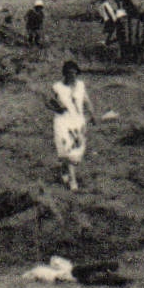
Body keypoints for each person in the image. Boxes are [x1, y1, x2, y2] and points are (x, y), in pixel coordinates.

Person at [49, 60, 95, 192]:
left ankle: (64, 169)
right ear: (65, 74)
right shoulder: (57, 87)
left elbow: (86, 100)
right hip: (63, 121)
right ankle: (73, 181)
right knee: (68, 148)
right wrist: (57, 107)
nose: (72, 76)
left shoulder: (80, 85)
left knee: (76, 151)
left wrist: (92, 114)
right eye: (69, 73)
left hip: (78, 122)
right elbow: (48, 100)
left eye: (75, 73)